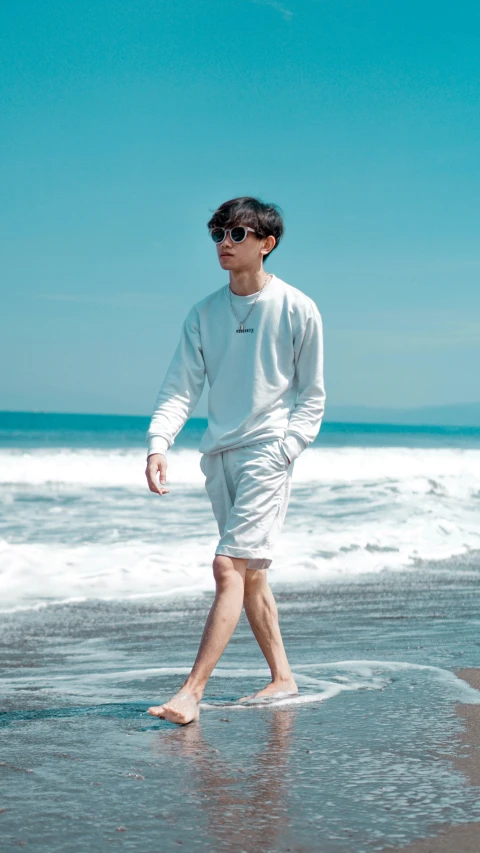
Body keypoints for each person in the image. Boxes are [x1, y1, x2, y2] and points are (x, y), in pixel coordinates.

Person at [145, 196, 326, 725]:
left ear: (266, 244)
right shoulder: (203, 313)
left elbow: (311, 395)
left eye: (237, 234)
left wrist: (285, 450)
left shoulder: (298, 307)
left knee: (227, 566)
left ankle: (191, 694)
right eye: (218, 234)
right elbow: (180, 388)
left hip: (267, 453)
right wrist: (159, 444)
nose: (225, 243)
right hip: (218, 457)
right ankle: (282, 677)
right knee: (249, 575)